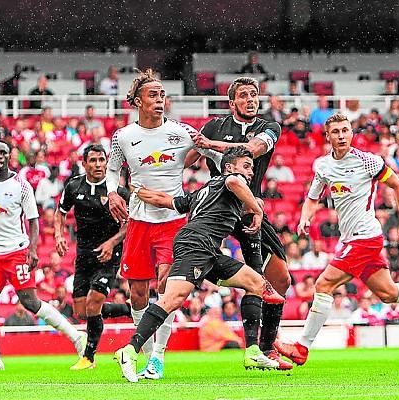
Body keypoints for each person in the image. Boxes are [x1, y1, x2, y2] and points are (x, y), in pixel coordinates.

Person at [273, 114, 399, 366]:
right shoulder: (323, 166)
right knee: (389, 293)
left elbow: (398, 186)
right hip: (349, 239)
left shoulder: (368, 161)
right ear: (327, 136)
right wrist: (304, 218)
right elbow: (312, 198)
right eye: (336, 132)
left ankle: (302, 348)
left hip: (365, 238)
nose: (341, 136)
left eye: (345, 130)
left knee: (324, 284)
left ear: (352, 134)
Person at [114, 147, 285, 382]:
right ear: (228, 167)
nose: (250, 173)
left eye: (252, 168)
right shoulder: (230, 180)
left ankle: (253, 351)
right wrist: (257, 209)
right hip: (196, 244)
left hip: (206, 249)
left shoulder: (203, 190)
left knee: (256, 283)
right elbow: (234, 181)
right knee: (171, 300)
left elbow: (165, 200)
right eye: (246, 166)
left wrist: (137, 190)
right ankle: (129, 350)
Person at [106, 68, 222, 379]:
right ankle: (144, 355)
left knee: (167, 287)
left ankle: (157, 358)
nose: (160, 100)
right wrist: (112, 193)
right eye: (153, 95)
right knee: (138, 293)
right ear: (137, 101)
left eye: (162, 95)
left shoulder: (182, 132)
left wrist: (219, 180)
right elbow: (112, 170)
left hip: (173, 221)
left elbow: (212, 154)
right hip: (139, 221)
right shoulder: (123, 137)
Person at [0, 140, 86, 372]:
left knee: (29, 301)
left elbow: (33, 220)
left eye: (3, 153)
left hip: (17, 250)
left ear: (9, 157)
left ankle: (76, 337)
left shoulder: (21, 185)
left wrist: (33, 249)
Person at [192, 77, 293, 370]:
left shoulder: (268, 127)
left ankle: (266, 346)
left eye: (254, 95)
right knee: (250, 276)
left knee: (281, 279)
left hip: (250, 206)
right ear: (232, 102)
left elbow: (251, 150)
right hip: (219, 206)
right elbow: (186, 158)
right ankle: (259, 350)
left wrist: (210, 145)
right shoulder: (214, 126)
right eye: (244, 95)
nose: (250, 100)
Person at [55, 144, 132, 370]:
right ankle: (127, 309)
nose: (98, 165)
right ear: (84, 163)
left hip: (109, 254)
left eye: (101, 160)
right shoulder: (73, 186)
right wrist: (59, 235)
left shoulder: (118, 192)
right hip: (84, 255)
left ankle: (88, 357)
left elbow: (131, 224)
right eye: (93, 160)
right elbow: (60, 212)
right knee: (82, 311)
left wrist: (112, 242)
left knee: (94, 301)